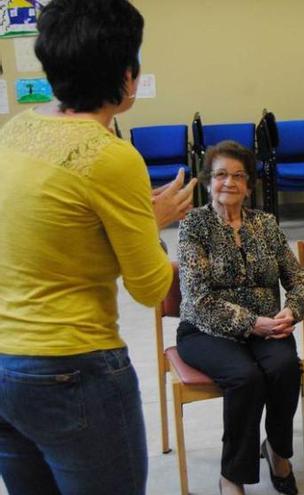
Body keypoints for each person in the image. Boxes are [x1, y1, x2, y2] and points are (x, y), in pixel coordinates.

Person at [0, 1, 197, 493]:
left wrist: (129, 218)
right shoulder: (112, 157)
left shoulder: (15, 131)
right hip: (71, 369)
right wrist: (151, 221)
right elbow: (150, 287)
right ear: (127, 76)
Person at [176, 141, 304, 495]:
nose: (229, 183)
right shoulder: (194, 225)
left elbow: (296, 277)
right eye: (220, 175)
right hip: (205, 330)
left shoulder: (265, 224)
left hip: (268, 326)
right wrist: (253, 322)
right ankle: (232, 475)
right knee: (245, 378)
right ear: (208, 182)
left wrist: (291, 310)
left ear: (249, 185)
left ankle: (278, 452)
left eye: (238, 176)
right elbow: (198, 298)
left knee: (284, 369)